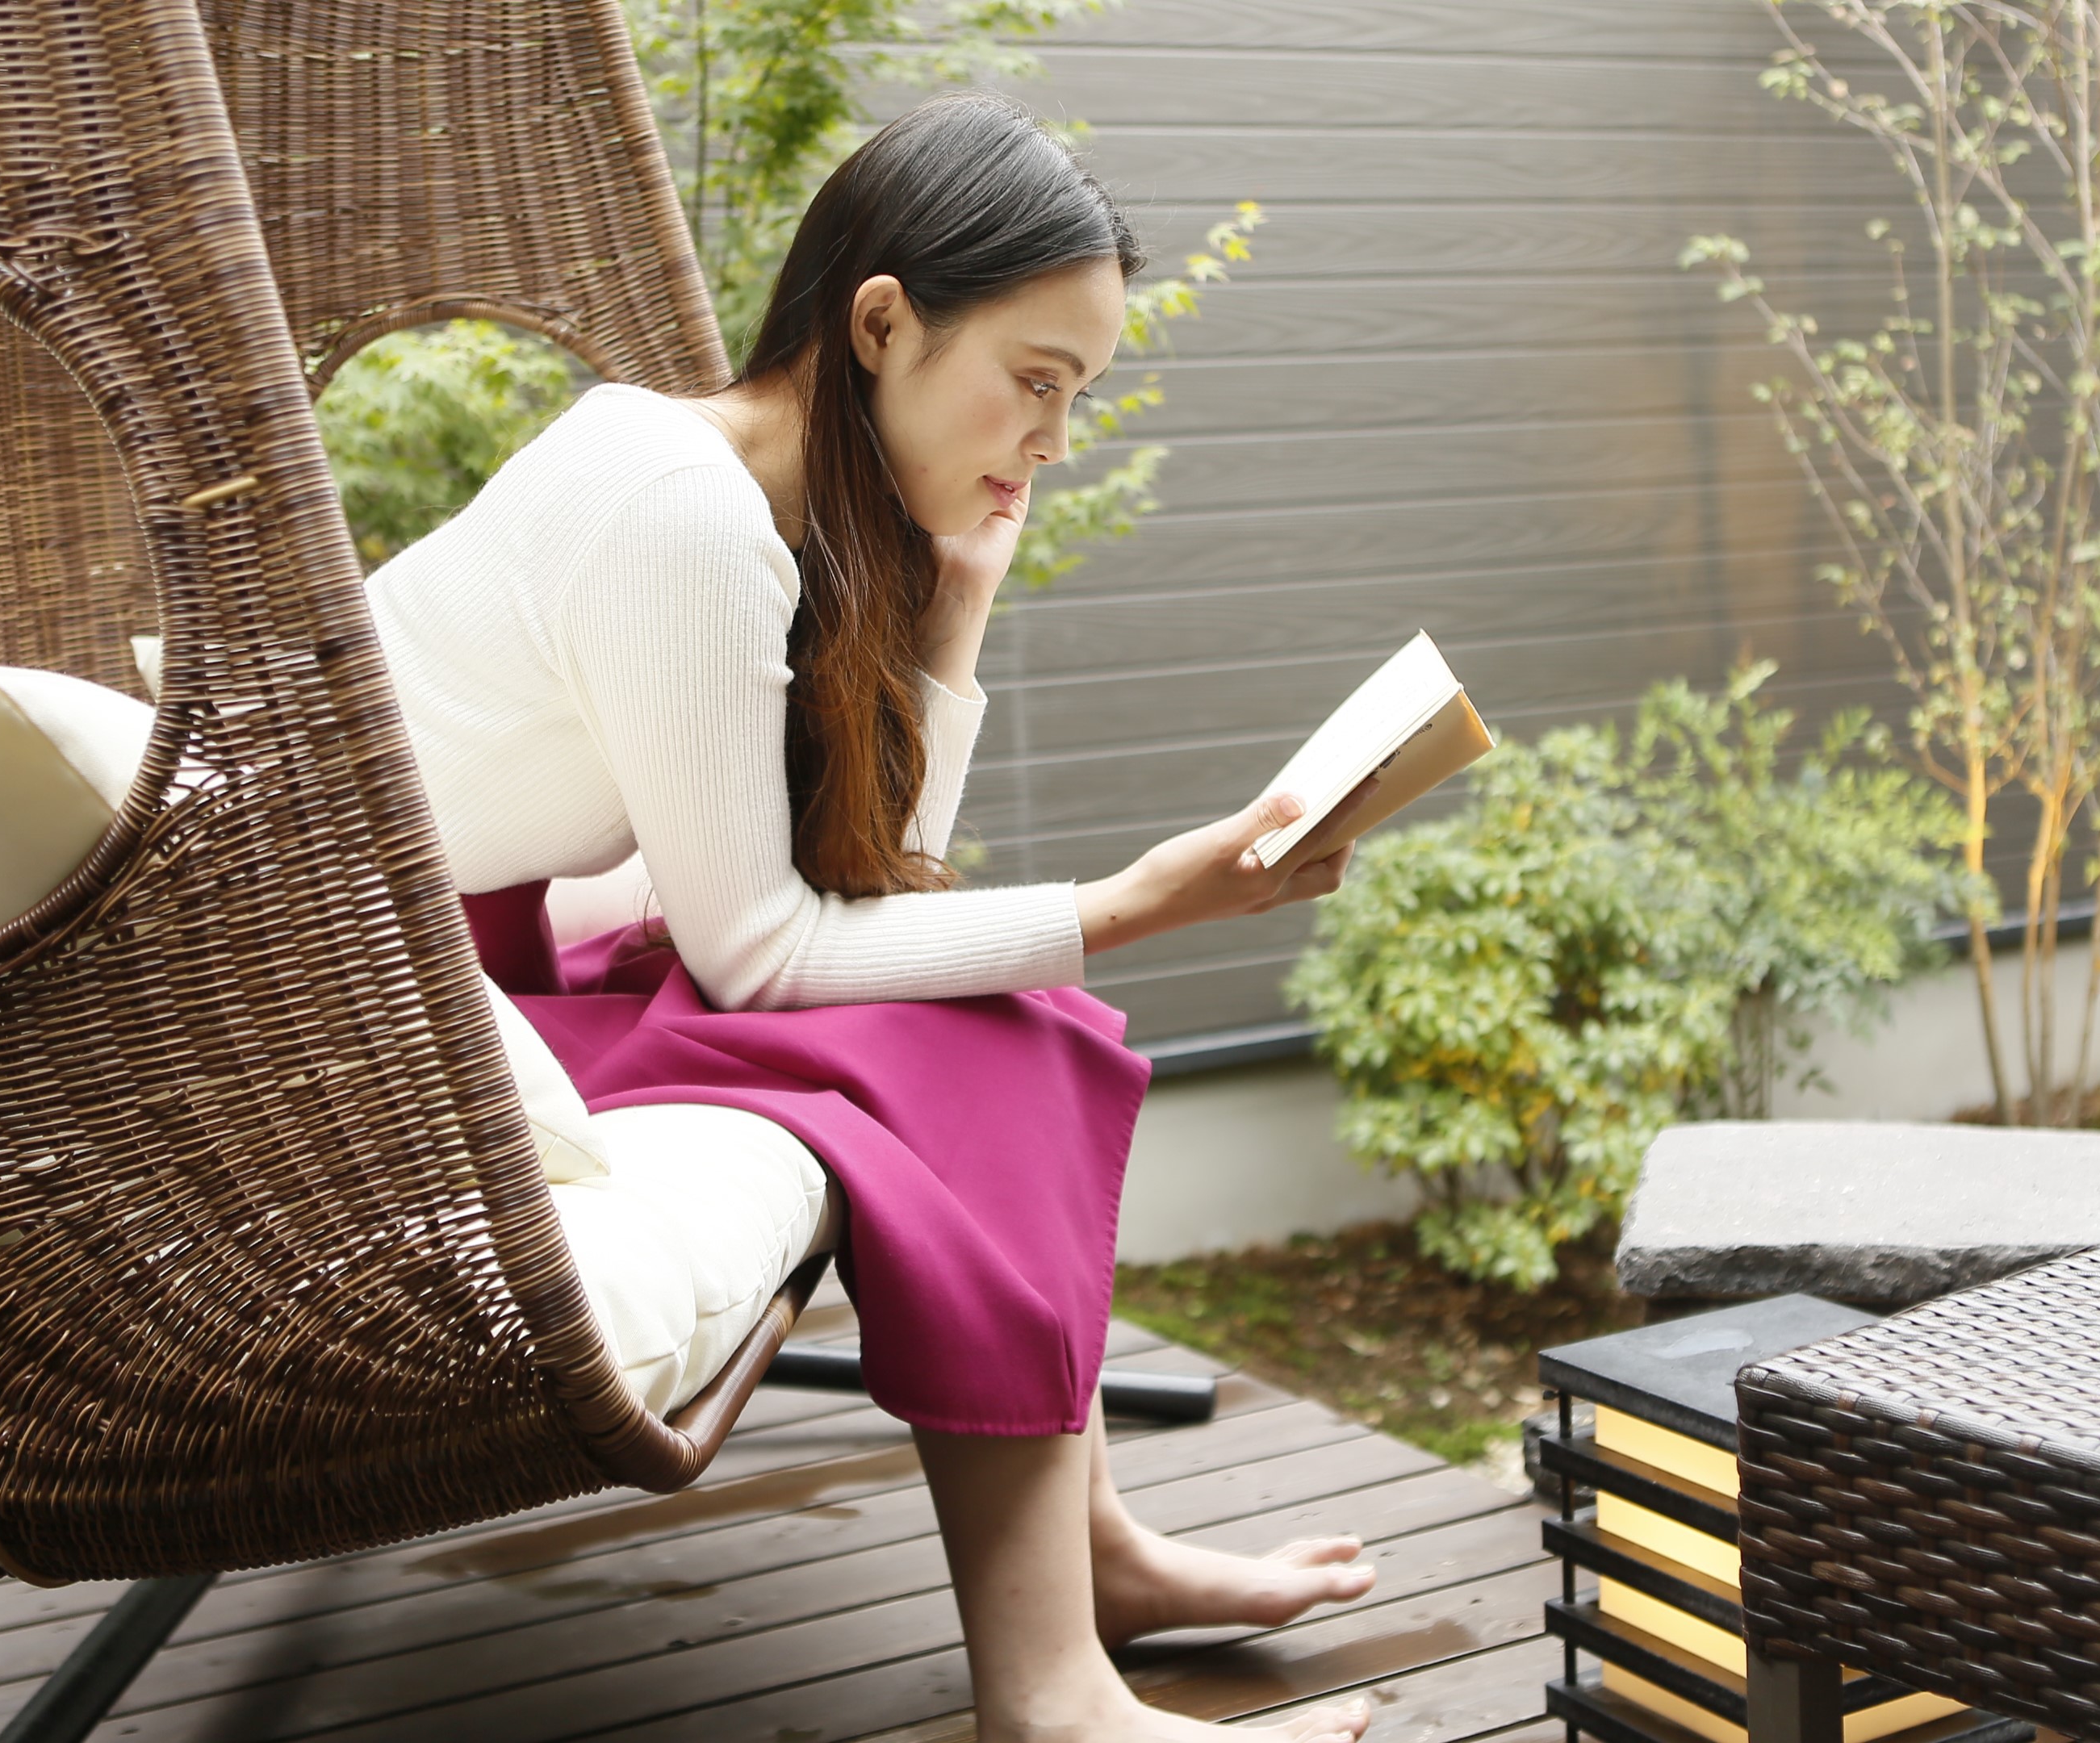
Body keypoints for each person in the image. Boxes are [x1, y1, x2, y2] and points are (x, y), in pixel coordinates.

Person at [365, 91, 1378, 1742]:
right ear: (884, 325)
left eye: (1078, 399)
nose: (1053, 442)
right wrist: (1130, 905)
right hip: (376, 1008)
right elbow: (774, 953)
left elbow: (863, 885)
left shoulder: (762, 519)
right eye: (1036, 384)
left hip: (485, 958)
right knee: (981, 1028)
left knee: (986, 1010)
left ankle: (1092, 1568)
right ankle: (1050, 1693)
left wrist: (954, 620)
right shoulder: (679, 511)